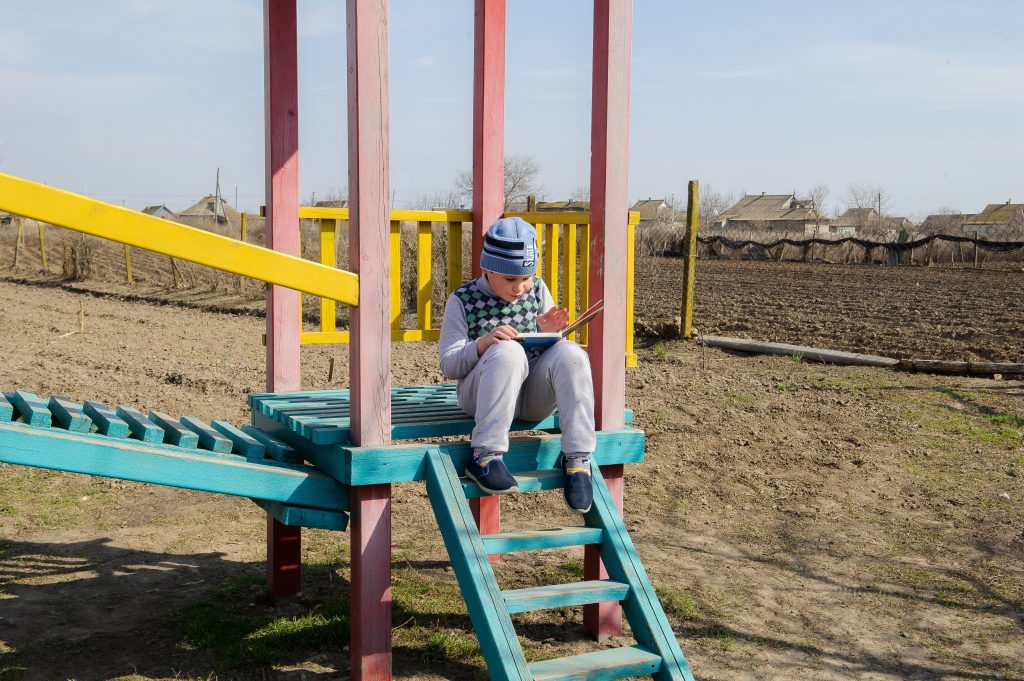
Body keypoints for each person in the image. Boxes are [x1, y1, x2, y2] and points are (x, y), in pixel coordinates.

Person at [439, 217, 596, 513]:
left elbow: (548, 355)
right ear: (487, 269)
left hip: (530, 399)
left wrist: (548, 335)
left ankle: (578, 459)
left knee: (572, 353)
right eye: (510, 279)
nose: (520, 288)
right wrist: (483, 344)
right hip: (482, 397)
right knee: (507, 350)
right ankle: (485, 456)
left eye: (526, 277)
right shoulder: (463, 300)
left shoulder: (536, 290)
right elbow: (449, 365)